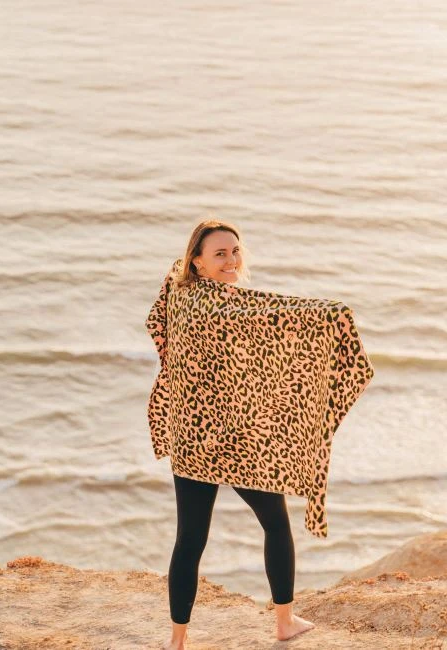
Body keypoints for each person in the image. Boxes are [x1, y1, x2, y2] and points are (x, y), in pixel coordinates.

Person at [159, 221, 316, 650]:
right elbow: (282, 317)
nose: (231, 260)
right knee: (275, 523)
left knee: (190, 538)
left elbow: (160, 327)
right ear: (197, 261)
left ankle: (177, 641)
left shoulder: (179, 294)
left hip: (190, 438)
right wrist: (331, 316)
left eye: (235, 250)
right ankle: (284, 622)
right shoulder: (225, 307)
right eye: (220, 254)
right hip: (234, 439)